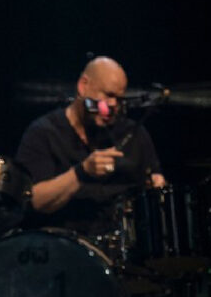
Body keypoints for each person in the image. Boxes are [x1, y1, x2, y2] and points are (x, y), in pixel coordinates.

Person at [15, 56, 166, 236]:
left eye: (119, 99)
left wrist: (157, 186)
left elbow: (155, 180)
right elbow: (35, 200)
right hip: (62, 248)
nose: (112, 106)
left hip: (123, 250)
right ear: (83, 86)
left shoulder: (133, 134)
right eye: (108, 95)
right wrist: (81, 173)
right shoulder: (44, 132)